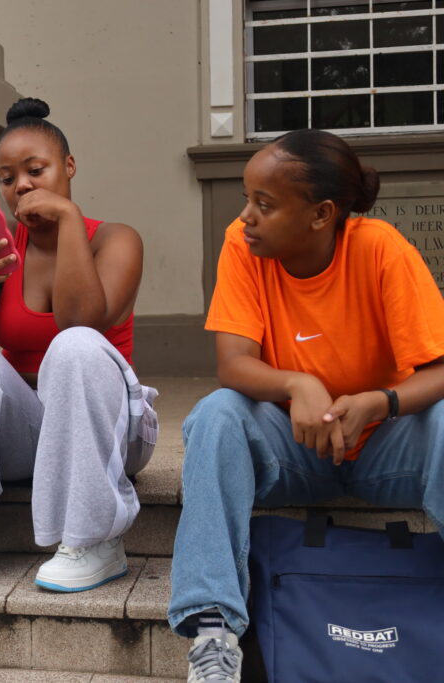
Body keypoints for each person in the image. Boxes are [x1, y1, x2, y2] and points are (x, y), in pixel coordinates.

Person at [167, 129, 444, 682]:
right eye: (246, 198)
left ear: (321, 214)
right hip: (294, 450)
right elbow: (234, 364)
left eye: (264, 204)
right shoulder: (243, 244)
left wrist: (380, 403)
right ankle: (213, 634)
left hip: (386, 451)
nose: (245, 216)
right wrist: (297, 384)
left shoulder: (380, 248)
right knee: (218, 414)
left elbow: (439, 370)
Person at [0, 98, 157, 593]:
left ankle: (94, 540)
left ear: (69, 167)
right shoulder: (6, 247)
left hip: (110, 430)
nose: (21, 186)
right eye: (7, 178)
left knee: (76, 345)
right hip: (32, 431)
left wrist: (68, 220)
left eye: (35, 171)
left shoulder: (116, 239)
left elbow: (82, 321)